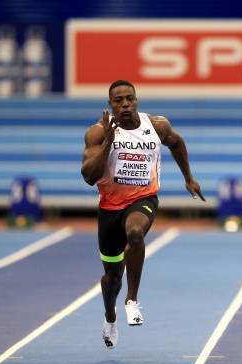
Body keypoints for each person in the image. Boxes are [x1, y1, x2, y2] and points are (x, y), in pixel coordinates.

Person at [81, 80, 205, 349]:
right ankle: (110, 316)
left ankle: (132, 299)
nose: (125, 104)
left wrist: (189, 178)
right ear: (111, 104)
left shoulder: (156, 126)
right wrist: (108, 143)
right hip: (109, 210)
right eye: (118, 100)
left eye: (129, 99)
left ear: (136, 100)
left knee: (136, 234)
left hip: (143, 199)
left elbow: (177, 142)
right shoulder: (98, 132)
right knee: (111, 278)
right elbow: (89, 177)